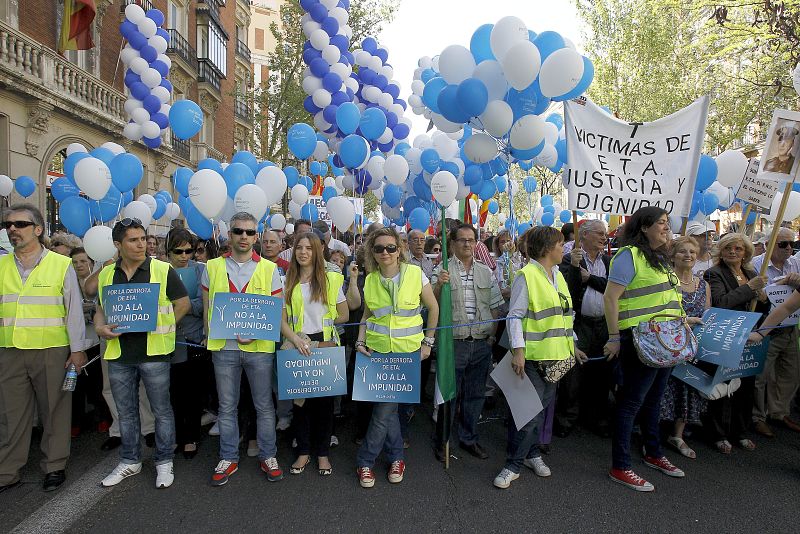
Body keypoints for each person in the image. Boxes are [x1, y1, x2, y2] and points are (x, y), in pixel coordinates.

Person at [603, 206, 695, 492]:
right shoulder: (629, 256)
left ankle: (653, 453)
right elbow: (610, 298)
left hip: (666, 341)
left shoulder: (661, 259)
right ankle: (621, 466)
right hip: (640, 340)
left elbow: (666, 299)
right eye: (661, 223)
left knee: (654, 400)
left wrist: (683, 320)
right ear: (644, 227)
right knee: (631, 403)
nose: (667, 228)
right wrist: (614, 337)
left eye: (667, 223)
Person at [95, 218, 190, 489]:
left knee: (161, 410)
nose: (141, 244)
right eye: (133, 240)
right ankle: (130, 460)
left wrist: (166, 327)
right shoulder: (106, 274)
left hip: (155, 353)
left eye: (143, 239)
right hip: (119, 354)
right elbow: (102, 306)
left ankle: (164, 461)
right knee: (125, 412)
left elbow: (182, 303)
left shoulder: (162, 269)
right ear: (118, 245)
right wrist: (100, 327)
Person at [0, 205, 88, 493]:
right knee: (11, 414)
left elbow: (73, 310)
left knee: (55, 410)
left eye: (20, 224)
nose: (12, 229)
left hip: (51, 349)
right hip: (9, 350)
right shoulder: (1, 265)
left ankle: (54, 465)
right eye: (8, 225)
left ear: (38, 229)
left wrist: (77, 350)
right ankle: (7, 471)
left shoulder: (61, 265)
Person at [493, 227, 587, 489]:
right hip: (533, 358)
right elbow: (514, 316)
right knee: (528, 413)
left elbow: (566, 316)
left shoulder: (558, 275)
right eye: (560, 244)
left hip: (559, 357)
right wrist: (519, 351)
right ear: (547, 248)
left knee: (540, 411)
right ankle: (513, 464)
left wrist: (574, 346)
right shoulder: (527, 275)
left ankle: (531, 453)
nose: (564, 248)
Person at [202, 212, 285, 486]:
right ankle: (228, 457)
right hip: (223, 348)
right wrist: (208, 332)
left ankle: (268, 454)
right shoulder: (212, 267)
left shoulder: (270, 270)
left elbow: (276, 313)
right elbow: (207, 309)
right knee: (227, 407)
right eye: (239, 231)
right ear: (230, 235)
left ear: (256, 236)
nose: (244, 237)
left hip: (259, 349)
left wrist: (258, 333)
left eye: (250, 232)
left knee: (264, 405)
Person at [354, 228, 438, 488]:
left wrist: (428, 342)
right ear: (372, 252)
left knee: (384, 411)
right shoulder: (370, 279)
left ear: (399, 249)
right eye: (379, 248)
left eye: (390, 247)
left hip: (407, 352)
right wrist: (359, 340)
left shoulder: (415, 273)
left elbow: (433, 307)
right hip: (377, 352)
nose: (385, 253)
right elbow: (367, 316)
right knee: (387, 411)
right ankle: (396, 458)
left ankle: (365, 460)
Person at [280, 233, 353, 476]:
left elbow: (344, 314)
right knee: (300, 404)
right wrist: (296, 339)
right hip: (296, 342)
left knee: (323, 404)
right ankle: (303, 452)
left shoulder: (331, 279)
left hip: (325, 343)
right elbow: (281, 320)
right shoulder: (285, 281)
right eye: (299, 248)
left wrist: (324, 331)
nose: (303, 252)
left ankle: (322, 453)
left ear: (317, 252)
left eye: (308, 248)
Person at [433, 224, 504, 462]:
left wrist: (492, 336)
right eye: (462, 240)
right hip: (454, 343)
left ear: (477, 243)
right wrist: (438, 286)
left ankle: (469, 438)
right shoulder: (441, 270)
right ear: (452, 244)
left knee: (475, 396)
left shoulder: (485, 271)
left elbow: (494, 306)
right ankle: (443, 443)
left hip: (482, 342)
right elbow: (429, 305)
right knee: (448, 397)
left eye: (471, 240)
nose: (467, 244)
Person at [703, 233, 769, 452]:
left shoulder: (751, 273)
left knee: (745, 386)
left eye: (738, 249)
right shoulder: (714, 274)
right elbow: (721, 303)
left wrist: (762, 299)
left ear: (746, 253)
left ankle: (739, 431)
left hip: (748, 336)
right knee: (723, 384)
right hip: (726, 335)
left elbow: (763, 309)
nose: (733, 252)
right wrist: (749, 288)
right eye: (728, 248)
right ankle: (718, 433)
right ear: (720, 252)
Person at [558, 219, 613, 438]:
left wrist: (590, 278)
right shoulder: (569, 259)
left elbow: (613, 288)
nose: (603, 237)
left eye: (605, 234)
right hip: (579, 323)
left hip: (603, 324)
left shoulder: (609, 261)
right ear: (584, 236)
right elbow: (567, 292)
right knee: (573, 373)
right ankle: (567, 419)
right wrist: (574, 268)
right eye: (599, 233)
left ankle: (597, 418)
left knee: (601, 374)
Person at [661, 236, 711, 458]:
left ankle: (677, 435)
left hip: (693, 348)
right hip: (666, 345)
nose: (688, 255)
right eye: (683, 251)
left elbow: (708, 315)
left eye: (692, 251)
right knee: (663, 392)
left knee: (688, 390)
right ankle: (652, 435)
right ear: (672, 255)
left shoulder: (704, 284)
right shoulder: (664, 280)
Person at [751, 227, 800, 436]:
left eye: (792, 244)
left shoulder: (795, 262)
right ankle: (758, 417)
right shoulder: (756, 264)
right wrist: (762, 332)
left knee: (790, 373)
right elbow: (785, 306)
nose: (789, 248)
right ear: (769, 244)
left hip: (791, 328)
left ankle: (779, 412)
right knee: (761, 376)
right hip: (770, 327)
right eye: (783, 244)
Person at [165, 229, 206, 460]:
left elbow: (204, 304)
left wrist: (181, 304)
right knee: (171, 392)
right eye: (178, 251)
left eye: (189, 251)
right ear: (168, 252)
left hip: (193, 339)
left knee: (192, 392)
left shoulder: (200, 270)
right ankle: (174, 436)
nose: (184, 256)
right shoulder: (160, 270)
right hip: (167, 339)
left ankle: (190, 436)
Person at [69, 247, 107, 437]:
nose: (79, 265)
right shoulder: (69, 282)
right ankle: (76, 421)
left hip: (94, 341)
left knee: (96, 383)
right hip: (75, 341)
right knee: (75, 386)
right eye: (75, 262)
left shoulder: (97, 280)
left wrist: (90, 309)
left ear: (91, 262)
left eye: (83, 261)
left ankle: (102, 418)